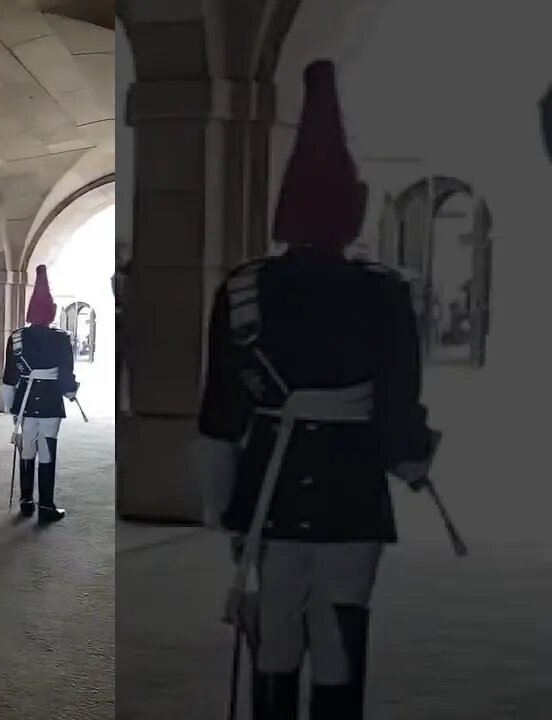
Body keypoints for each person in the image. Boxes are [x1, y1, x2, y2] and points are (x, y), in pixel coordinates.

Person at [192, 60, 437, 720]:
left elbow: (220, 418)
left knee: (274, 636)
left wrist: (226, 511)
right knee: (339, 638)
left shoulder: (242, 290)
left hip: (268, 487)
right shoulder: (386, 294)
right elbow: (397, 406)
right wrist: (412, 459)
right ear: (351, 213)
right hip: (352, 492)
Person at [1, 265, 78, 522]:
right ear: (52, 312)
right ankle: (46, 505)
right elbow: (66, 375)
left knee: (26, 449)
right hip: (49, 402)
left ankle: (26, 501)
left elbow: (9, 376)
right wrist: (70, 391)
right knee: (47, 450)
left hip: (23, 399)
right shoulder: (61, 338)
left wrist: (11, 407)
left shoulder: (17, 337)